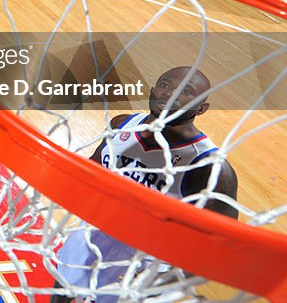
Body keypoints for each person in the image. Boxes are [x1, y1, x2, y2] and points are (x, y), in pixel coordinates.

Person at [52, 67, 238, 302]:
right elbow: (92, 172)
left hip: (145, 260)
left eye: (186, 91)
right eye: (165, 85)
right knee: (61, 288)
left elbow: (222, 244)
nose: (169, 94)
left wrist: (167, 278)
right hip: (95, 232)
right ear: (153, 90)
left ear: (202, 108)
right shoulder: (122, 125)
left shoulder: (209, 166)